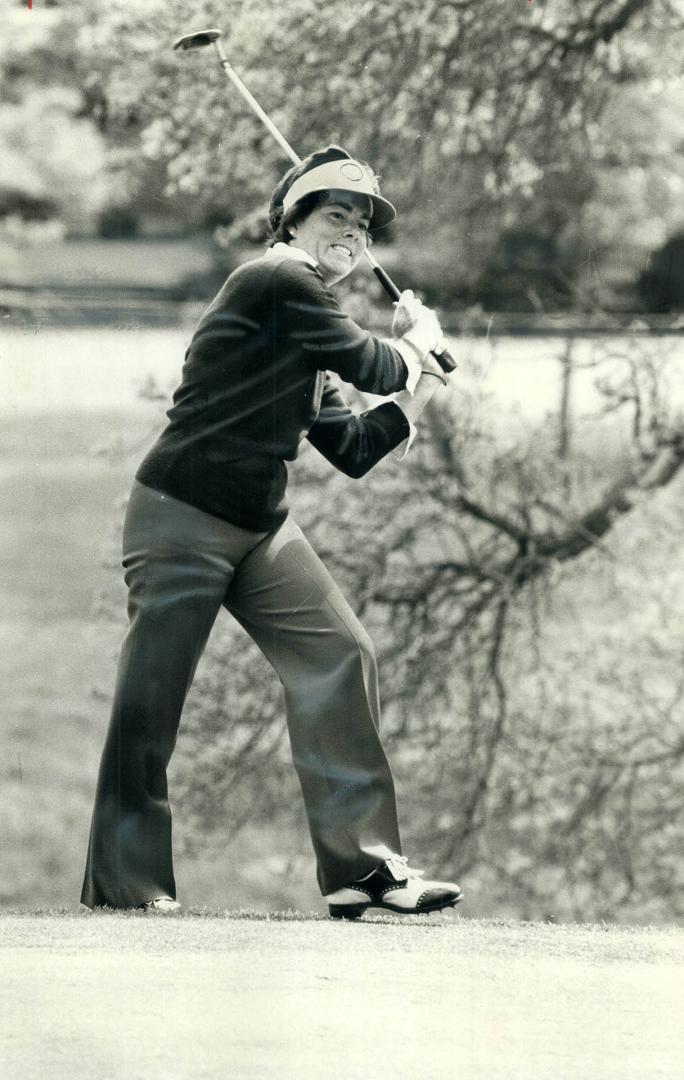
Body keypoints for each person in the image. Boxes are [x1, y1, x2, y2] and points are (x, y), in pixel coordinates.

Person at [81, 145, 463, 919]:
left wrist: (422, 385)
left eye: (362, 225)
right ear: (292, 218)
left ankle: (363, 870)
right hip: (180, 514)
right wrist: (416, 344)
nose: (352, 235)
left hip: (258, 527)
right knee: (152, 700)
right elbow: (371, 362)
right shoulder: (275, 279)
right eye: (335, 215)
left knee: (339, 651)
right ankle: (128, 884)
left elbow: (353, 447)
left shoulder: (308, 320)